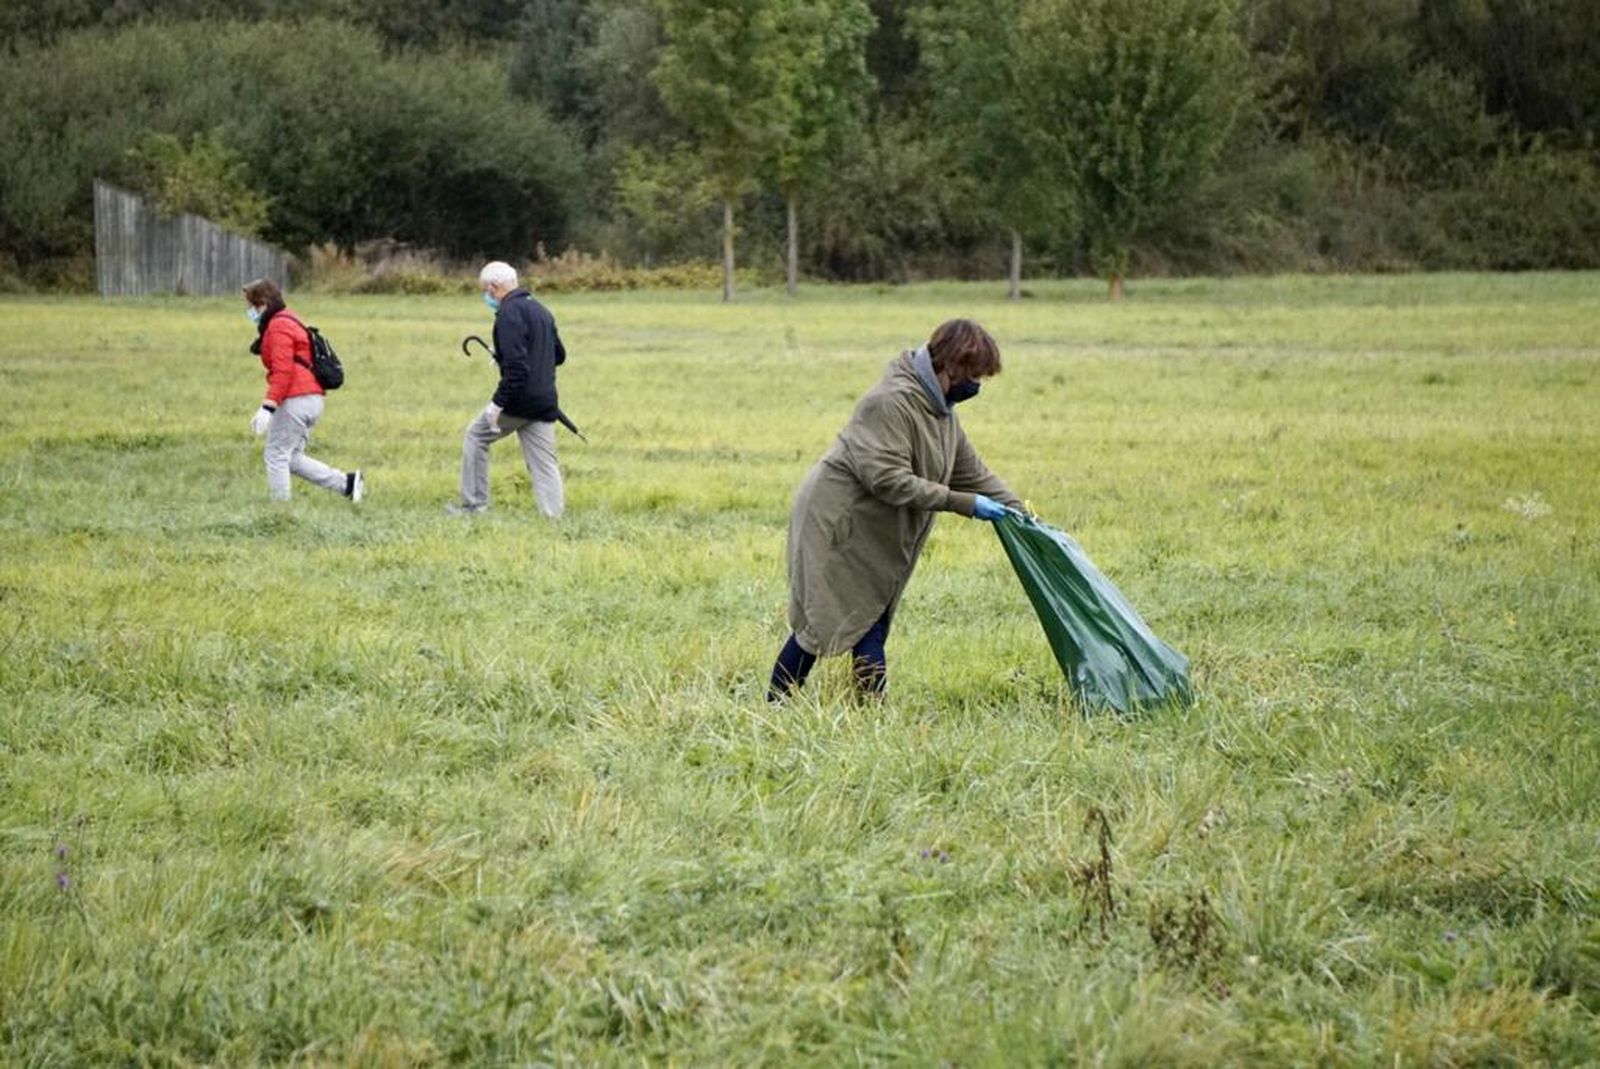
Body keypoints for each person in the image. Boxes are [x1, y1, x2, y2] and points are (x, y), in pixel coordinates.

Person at [769, 318, 1024, 700]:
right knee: (823, 623)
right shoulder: (889, 402)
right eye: (974, 375)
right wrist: (964, 504)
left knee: (869, 617)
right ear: (950, 367)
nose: (977, 385)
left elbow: (971, 472)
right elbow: (887, 478)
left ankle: (862, 711)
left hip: (869, 526)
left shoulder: (941, 411)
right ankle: (777, 704)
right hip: (837, 521)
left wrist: (1020, 513)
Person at [451, 261, 566, 517]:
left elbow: (517, 368)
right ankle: (554, 517)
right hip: (546, 401)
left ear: (493, 288)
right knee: (544, 464)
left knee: (475, 437)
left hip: (518, 402)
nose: (486, 295)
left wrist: (496, 404)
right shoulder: (542, 311)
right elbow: (558, 355)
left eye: (485, 290)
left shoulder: (508, 314)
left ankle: (474, 507)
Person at [242, 278, 363, 503]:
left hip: (295, 400)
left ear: (264, 303)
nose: (250, 311)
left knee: (276, 455)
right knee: (292, 457)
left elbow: (283, 371)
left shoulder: (278, 326)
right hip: (311, 399)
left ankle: (280, 513)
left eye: (252, 306)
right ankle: (346, 483)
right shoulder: (288, 319)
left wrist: (268, 407)